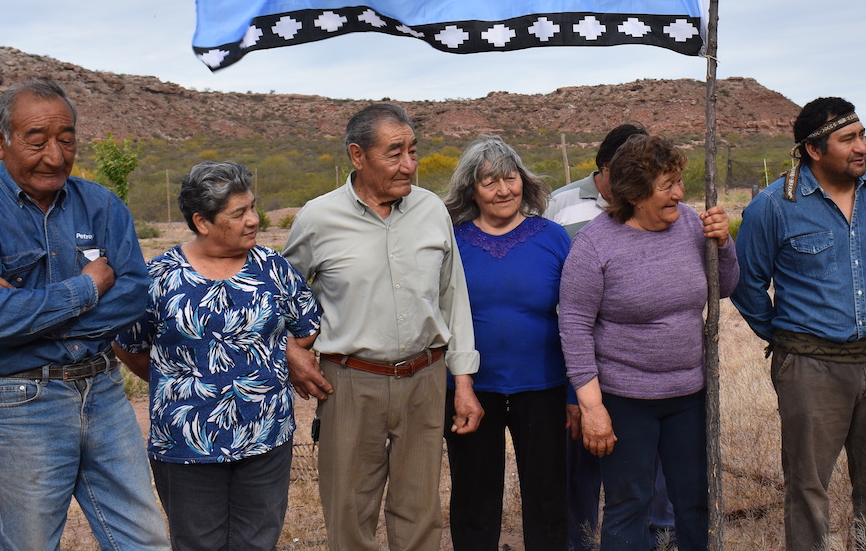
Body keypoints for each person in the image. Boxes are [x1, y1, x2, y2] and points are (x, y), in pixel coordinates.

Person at [0, 79, 169, 551]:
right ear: (0, 143)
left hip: (104, 393)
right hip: (24, 402)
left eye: (67, 139)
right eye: (37, 140)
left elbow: (135, 295)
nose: (56, 154)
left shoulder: (102, 204)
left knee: (146, 540)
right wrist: (87, 287)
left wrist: (27, 314)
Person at [281, 103, 481, 551]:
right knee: (349, 512)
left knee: (421, 511)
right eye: (395, 153)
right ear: (357, 156)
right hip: (350, 383)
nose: (409, 164)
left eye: (413, 151)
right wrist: (291, 351)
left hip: (425, 380)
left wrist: (463, 381)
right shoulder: (317, 218)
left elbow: (454, 297)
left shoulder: (431, 210)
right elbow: (280, 296)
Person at [731, 97, 866, 551]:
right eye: (847, 139)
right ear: (814, 150)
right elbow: (745, 282)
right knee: (809, 490)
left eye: (862, 135)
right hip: (811, 368)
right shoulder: (772, 207)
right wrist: (785, 338)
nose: (862, 147)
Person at [113, 161, 322, 551]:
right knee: (197, 543)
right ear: (202, 221)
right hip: (186, 444)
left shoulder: (273, 268)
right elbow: (130, 347)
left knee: (258, 541)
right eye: (239, 213)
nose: (253, 220)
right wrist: (184, 383)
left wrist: (276, 355)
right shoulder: (159, 277)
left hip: (265, 437)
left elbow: (306, 329)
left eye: (253, 208)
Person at [558, 134, 736, 551]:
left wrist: (724, 245)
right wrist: (593, 407)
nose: (680, 193)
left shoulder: (691, 224)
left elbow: (724, 287)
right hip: (625, 400)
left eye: (679, 181)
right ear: (636, 194)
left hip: (689, 396)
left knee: (694, 501)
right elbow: (575, 326)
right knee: (629, 503)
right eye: (667, 185)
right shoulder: (595, 245)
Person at [441, 138, 571, 551]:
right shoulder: (453, 243)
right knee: (473, 497)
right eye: (489, 181)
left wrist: (575, 392)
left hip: (544, 388)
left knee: (549, 496)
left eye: (509, 179)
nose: (502, 190)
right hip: (470, 391)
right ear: (471, 190)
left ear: (524, 182)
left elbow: (576, 317)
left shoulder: (553, 238)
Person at [552, 122, 676, 550]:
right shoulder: (561, 206)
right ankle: (581, 539)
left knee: (649, 457)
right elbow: (560, 297)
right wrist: (574, 386)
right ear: (607, 168)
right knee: (582, 454)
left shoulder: (656, 207)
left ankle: (658, 533)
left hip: (638, 363)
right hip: (581, 357)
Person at [543, 123, 646, 225]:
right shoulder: (556, 203)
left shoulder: (653, 208)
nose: (634, 179)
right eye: (627, 171)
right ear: (606, 166)